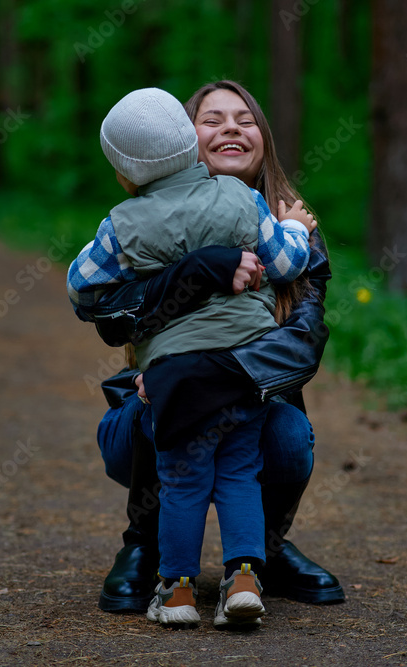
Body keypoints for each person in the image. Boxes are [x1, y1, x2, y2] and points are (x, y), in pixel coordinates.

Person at [81, 80, 344, 615]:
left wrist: (201, 375)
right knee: (145, 431)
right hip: (154, 399)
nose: (231, 127)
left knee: (290, 437)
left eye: (245, 119)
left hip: (243, 391)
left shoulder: (296, 224)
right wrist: (193, 272)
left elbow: (302, 344)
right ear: (185, 140)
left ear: (262, 138)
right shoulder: (142, 223)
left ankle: (262, 551)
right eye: (213, 119)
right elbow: (105, 314)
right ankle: (145, 545)